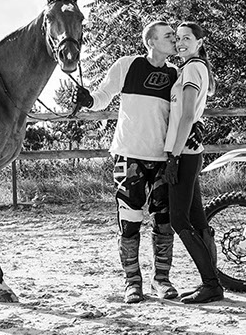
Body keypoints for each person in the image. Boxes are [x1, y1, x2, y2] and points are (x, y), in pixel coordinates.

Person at [74, 21, 180, 304]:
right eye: (168, 35)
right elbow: (102, 97)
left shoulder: (175, 73)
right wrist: (87, 100)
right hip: (129, 155)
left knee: (164, 222)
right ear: (151, 41)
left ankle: (162, 280)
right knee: (130, 222)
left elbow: (183, 113)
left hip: (162, 158)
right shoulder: (127, 65)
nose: (174, 39)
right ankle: (132, 282)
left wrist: (176, 155)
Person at [163, 21, 222, 304]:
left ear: (200, 42)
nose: (180, 42)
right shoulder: (193, 67)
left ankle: (211, 284)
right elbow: (190, 115)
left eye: (187, 38)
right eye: (178, 38)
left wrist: (173, 156)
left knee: (179, 219)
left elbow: (187, 116)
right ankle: (211, 282)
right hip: (189, 150)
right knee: (197, 220)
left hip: (184, 153)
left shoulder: (191, 68)